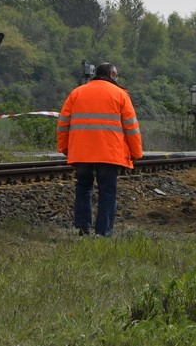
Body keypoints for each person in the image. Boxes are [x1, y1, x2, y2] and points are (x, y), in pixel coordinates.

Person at [57, 62, 143, 236]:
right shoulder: (120, 95)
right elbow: (131, 128)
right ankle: (103, 233)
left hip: (81, 152)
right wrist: (136, 153)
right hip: (109, 153)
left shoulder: (77, 93)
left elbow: (63, 124)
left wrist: (65, 148)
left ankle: (82, 228)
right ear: (111, 75)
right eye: (116, 76)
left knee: (83, 187)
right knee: (107, 192)